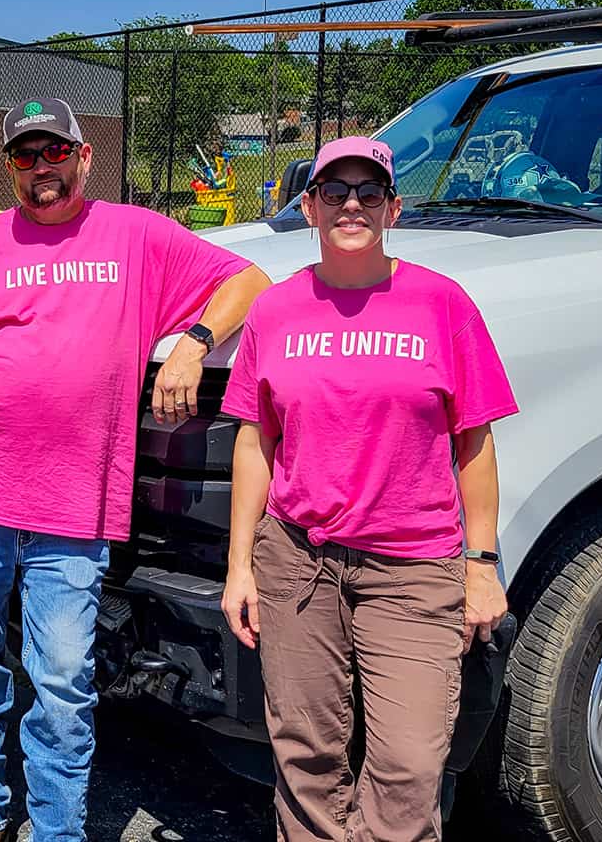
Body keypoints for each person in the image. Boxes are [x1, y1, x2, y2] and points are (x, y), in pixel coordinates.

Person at [0, 97, 270, 842]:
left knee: (64, 683)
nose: (43, 169)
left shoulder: (136, 235)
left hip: (76, 510)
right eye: (26, 156)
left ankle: (57, 829)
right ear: (9, 167)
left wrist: (197, 341)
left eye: (55, 152)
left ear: (84, 156)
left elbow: (251, 281)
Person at [218, 136, 516, 842]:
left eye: (369, 192)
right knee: (306, 754)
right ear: (310, 208)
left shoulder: (443, 305)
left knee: (410, 764)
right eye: (334, 191)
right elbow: (256, 441)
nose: (352, 203)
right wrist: (238, 565)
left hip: (412, 568)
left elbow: (473, 440)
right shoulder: (277, 312)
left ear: (393, 208)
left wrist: (481, 567)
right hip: (298, 562)